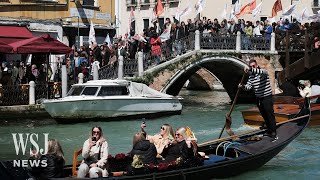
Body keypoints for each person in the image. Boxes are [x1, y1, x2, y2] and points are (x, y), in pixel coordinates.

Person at [240, 59, 278, 142]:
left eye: (254, 66)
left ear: (256, 65)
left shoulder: (263, 72)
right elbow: (248, 87)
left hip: (267, 97)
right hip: (259, 98)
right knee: (264, 115)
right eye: (251, 66)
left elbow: (263, 72)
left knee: (269, 115)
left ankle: (274, 132)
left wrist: (250, 69)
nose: (252, 67)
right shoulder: (251, 76)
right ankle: (269, 130)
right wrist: (242, 86)